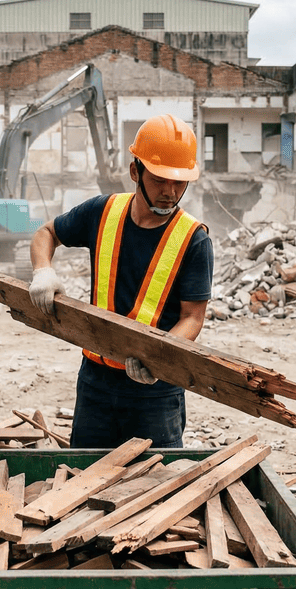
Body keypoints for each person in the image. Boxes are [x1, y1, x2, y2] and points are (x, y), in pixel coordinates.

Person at [27, 114, 214, 449]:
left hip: (155, 390)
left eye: (179, 182)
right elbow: (46, 233)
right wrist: (43, 271)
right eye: (159, 180)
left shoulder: (193, 239)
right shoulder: (102, 212)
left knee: (157, 489)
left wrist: (159, 357)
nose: (170, 192)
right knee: (86, 478)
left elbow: (192, 318)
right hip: (96, 383)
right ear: (135, 172)